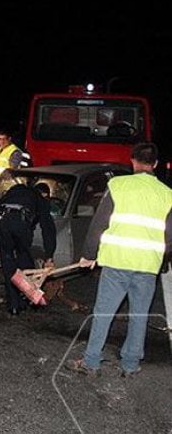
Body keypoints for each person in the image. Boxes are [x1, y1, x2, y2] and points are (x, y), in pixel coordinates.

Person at [68, 142, 172, 377]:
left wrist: (88, 254)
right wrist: (160, 256)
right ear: (155, 164)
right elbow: (169, 235)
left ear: (133, 161)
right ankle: (130, 364)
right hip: (146, 266)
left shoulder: (118, 185)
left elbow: (99, 223)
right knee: (139, 316)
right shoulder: (168, 195)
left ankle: (92, 362)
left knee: (104, 312)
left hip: (116, 263)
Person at [0, 181, 57, 315]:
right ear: (45, 195)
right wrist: (49, 256)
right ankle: (26, 298)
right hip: (19, 221)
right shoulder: (41, 199)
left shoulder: (17, 189)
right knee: (24, 258)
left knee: (7, 262)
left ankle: (14, 306)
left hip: (0, 220)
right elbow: (48, 229)